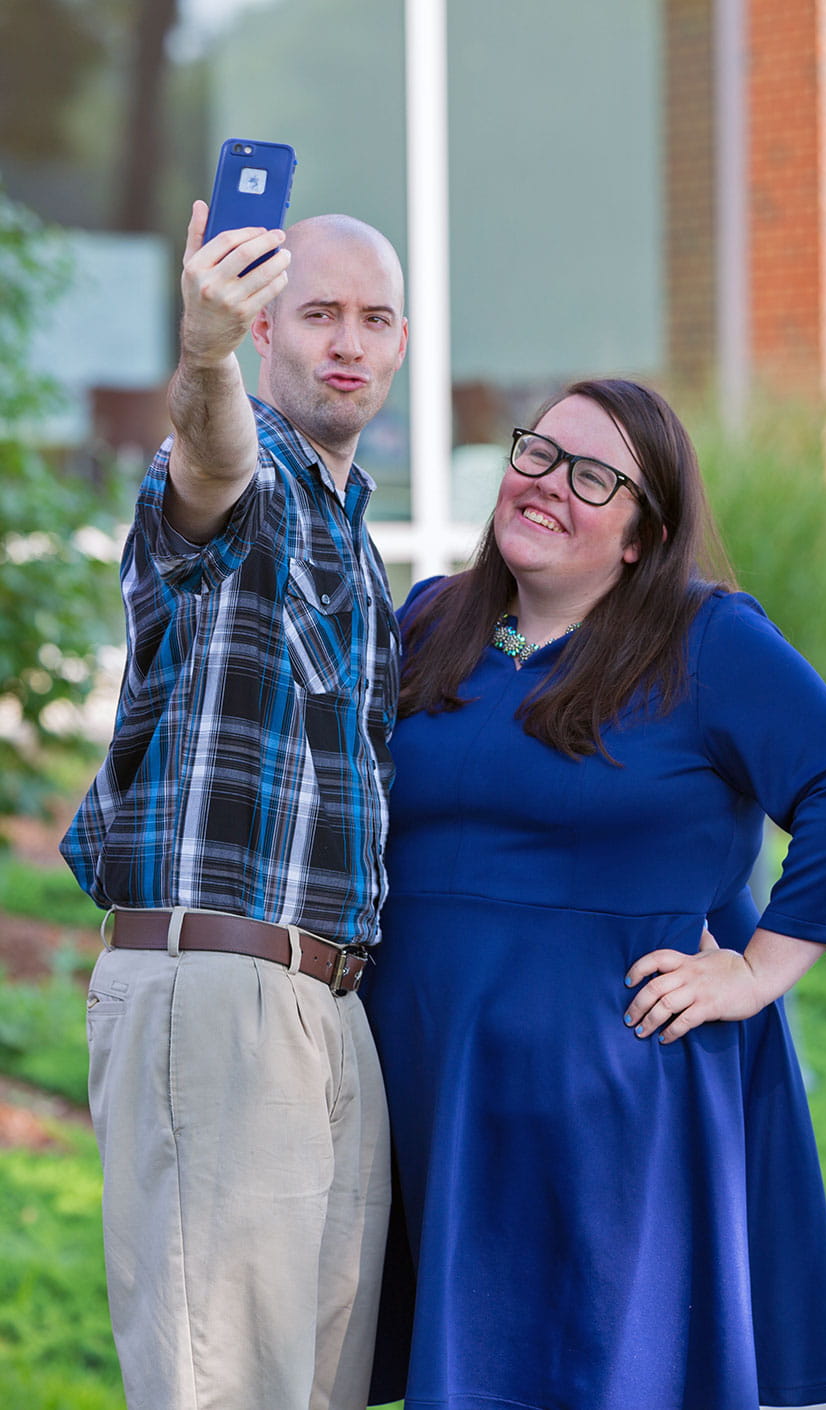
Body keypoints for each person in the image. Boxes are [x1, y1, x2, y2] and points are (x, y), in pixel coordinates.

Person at [362, 377, 826, 1410]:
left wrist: (755, 971)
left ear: (642, 536)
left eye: (595, 477)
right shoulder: (431, 621)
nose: (550, 485)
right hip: (430, 1082)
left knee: (598, 1375)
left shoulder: (706, 641)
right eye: (538, 455)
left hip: (608, 1095)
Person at [60, 204, 407, 1408]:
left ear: (402, 344)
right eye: (318, 315)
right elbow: (211, 462)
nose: (347, 343)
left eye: (373, 319)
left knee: (315, 1387)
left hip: (327, 1002)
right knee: (225, 1390)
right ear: (266, 331)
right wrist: (199, 359)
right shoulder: (235, 471)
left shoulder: (357, 540)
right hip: (217, 985)